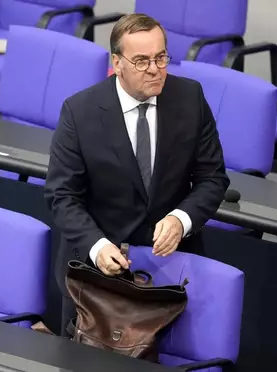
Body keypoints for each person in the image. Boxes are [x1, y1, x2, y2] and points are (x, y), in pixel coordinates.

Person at [44, 13, 230, 335]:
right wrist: (97, 245)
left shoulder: (190, 99)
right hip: (97, 277)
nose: (155, 69)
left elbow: (213, 179)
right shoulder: (80, 112)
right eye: (142, 61)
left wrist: (181, 219)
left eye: (161, 58)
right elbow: (62, 196)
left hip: (170, 276)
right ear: (117, 63)